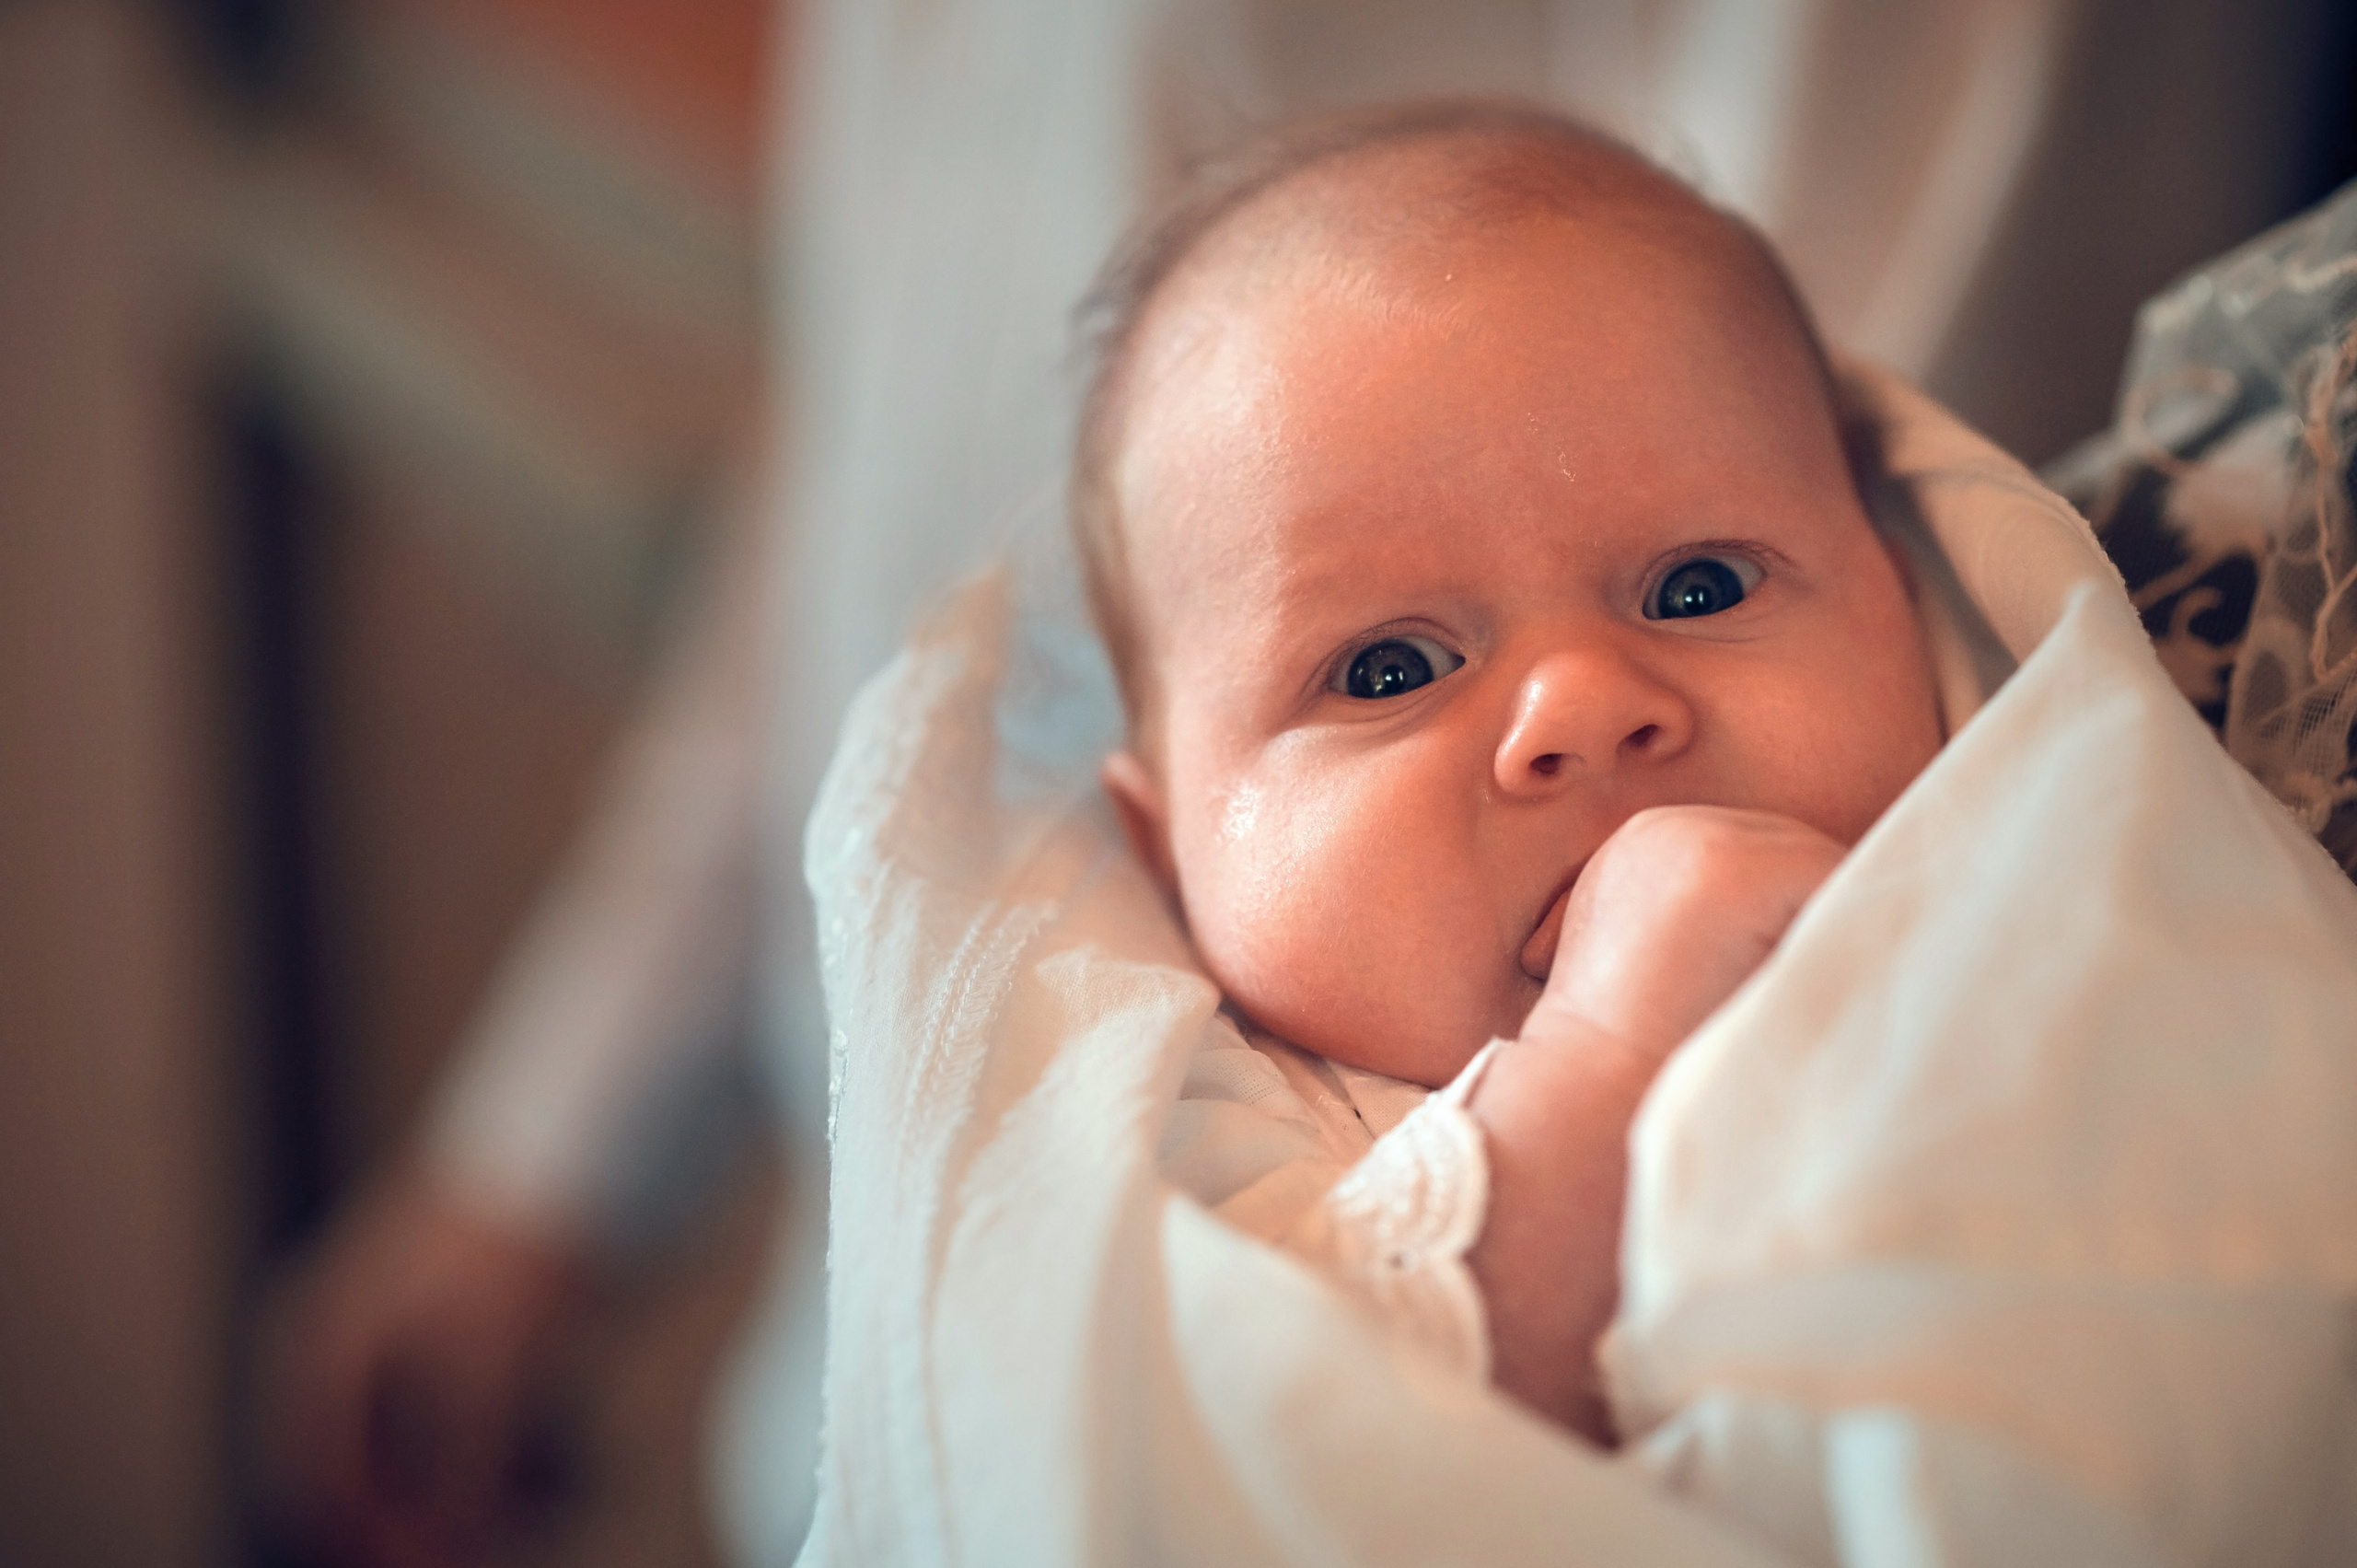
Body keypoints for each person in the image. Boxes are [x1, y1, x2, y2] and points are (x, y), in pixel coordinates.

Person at [1066, 101, 1948, 1441]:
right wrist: (1612, 1052)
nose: (1583, 707)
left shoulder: (2033, 870)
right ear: (1164, 855)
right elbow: (1342, 1472)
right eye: (1385, 672)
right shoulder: (1229, 1135)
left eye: (1698, 584)